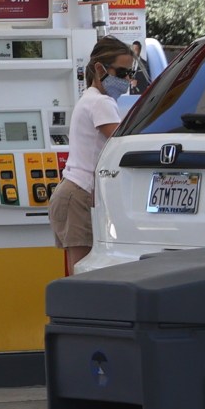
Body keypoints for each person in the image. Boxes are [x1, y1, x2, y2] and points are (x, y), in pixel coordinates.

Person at [50, 37, 137, 276]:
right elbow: (122, 146)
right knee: (84, 276)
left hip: (71, 193)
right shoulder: (102, 103)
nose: (127, 79)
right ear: (100, 69)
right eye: (122, 72)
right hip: (80, 195)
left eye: (130, 72)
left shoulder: (88, 99)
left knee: (78, 274)